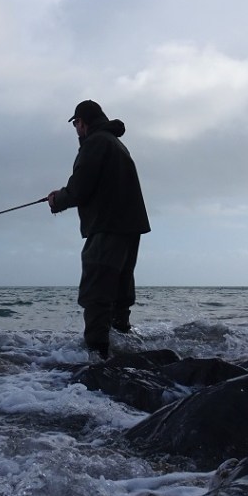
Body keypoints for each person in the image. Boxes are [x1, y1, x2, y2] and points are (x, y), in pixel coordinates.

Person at [48, 100, 150, 359]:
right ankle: (123, 348)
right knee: (119, 291)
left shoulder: (95, 143)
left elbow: (80, 188)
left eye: (76, 124)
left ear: (82, 122)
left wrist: (57, 199)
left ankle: (96, 356)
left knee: (97, 291)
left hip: (108, 227)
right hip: (129, 227)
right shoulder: (116, 144)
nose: (76, 129)